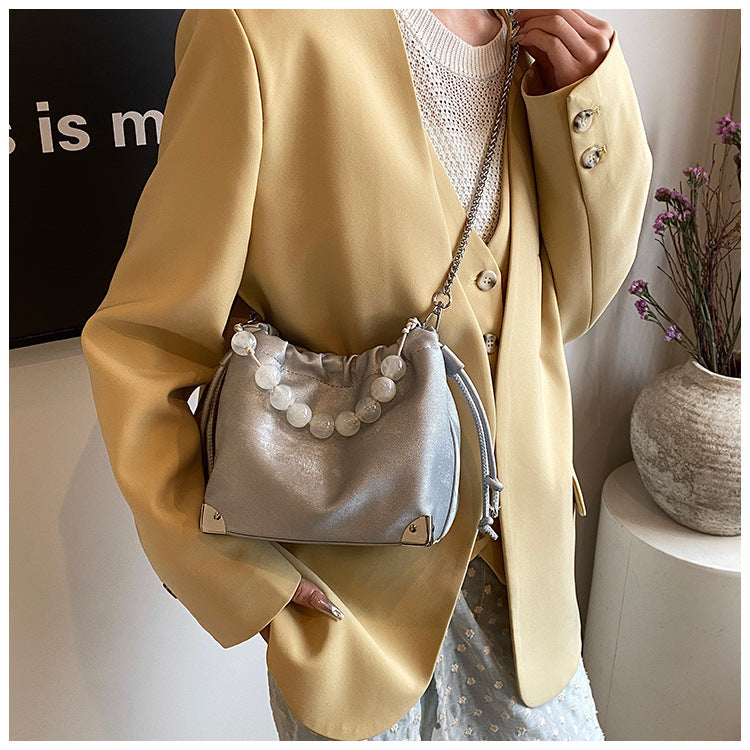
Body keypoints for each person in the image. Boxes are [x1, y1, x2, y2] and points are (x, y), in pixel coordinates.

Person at [80, 8, 652, 741]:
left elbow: (569, 305)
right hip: (351, 609)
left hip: (527, 581)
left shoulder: (529, 39)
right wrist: (237, 577)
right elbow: (142, 343)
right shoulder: (257, 29)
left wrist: (588, 99)